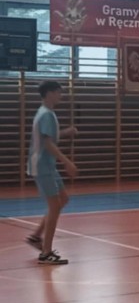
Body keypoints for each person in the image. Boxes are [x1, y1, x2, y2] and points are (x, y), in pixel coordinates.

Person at [26, 81, 78, 265]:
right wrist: (67, 162)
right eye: (58, 92)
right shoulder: (46, 114)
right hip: (42, 165)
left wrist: (65, 132)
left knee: (63, 199)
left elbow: (48, 137)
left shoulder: (46, 113)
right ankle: (46, 253)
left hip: (47, 165)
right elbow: (47, 144)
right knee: (54, 205)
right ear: (49, 93)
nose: (60, 96)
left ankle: (36, 236)